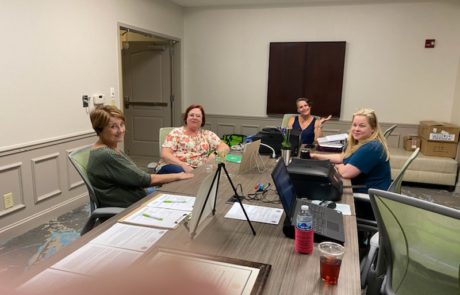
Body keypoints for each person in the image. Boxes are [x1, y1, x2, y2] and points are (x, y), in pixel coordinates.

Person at [87, 105, 193, 208]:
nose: (121, 130)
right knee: (183, 200)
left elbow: (136, 176)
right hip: (131, 205)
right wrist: (178, 176)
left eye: (122, 124)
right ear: (100, 129)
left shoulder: (110, 147)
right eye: (113, 126)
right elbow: (143, 180)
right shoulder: (106, 154)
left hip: (137, 194)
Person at [311, 108, 391, 226]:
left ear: (373, 128)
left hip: (368, 203)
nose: (356, 129)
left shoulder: (371, 148)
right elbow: (342, 158)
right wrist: (315, 156)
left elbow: (346, 173)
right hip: (368, 195)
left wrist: (337, 166)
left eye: (362, 126)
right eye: (354, 125)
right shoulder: (366, 142)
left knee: (316, 196)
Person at [157, 104, 230, 174]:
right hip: (175, 167)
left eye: (198, 116)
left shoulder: (207, 134)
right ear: (186, 118)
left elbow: (225, 147)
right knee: (180, 171)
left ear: (202, 120)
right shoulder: (176, 133)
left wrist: (215, 154)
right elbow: (165, 154)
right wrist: (183, 165)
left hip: (200, 170)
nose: (194, 117)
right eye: (191, 115)